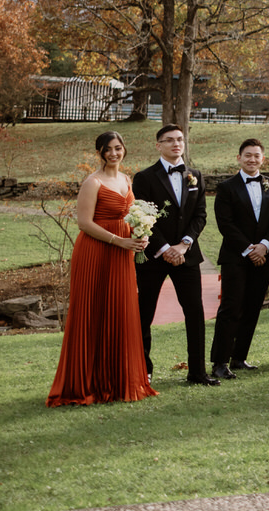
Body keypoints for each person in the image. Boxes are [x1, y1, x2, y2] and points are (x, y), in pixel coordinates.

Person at [47, 131, 157, 406]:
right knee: (93, 312)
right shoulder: (92, 182)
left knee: (120, 310)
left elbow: (131, 214)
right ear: (100, 152)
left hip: (122, 255)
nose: (114, 153)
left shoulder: (126, 179)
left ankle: (118, 382)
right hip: (96, 253)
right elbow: (84, 223)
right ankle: (86, 383)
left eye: (118, 148)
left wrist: (140, 233)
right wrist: (119, 240)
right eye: (108, 149)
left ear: (124, 149)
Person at [134, 124, 216, 385]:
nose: (175, 144)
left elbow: (200, 215)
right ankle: (143, 370)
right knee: (143, 314)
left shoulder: (195, 175)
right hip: (153, 258)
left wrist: (184, 245)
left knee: (195, 313)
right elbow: (144, 217)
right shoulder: (144, 178)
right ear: (158, 145)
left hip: (187, 256)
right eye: (168, 140)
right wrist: (164, 248)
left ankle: (197, 372)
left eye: (179, 139)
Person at [210, 138, 269, 381]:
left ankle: (239, 357)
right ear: (239, 158)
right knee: (231, 308)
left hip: (263, 257)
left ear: (263, 159)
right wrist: (248, 249)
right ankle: (220, 361)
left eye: (256, 155)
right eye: (248, 155)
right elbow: (225, 224)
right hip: (236, 256)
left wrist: (264, 246)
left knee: (253, 307)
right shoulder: (226, 187)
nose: (252, 159)